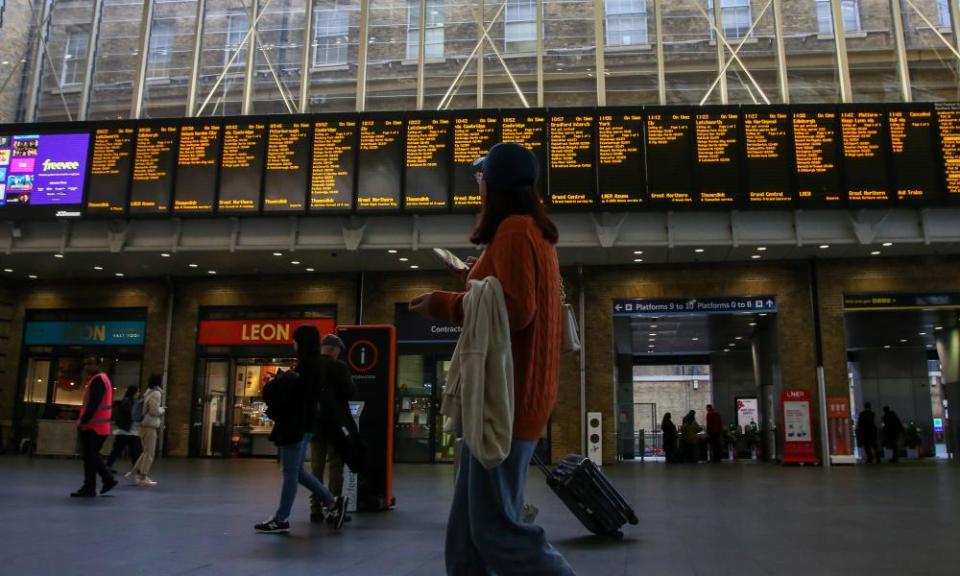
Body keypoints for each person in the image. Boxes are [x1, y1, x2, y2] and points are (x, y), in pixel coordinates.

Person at [410, 142, 574, 575]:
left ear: (494, 184)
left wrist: (444, 304)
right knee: (466, 533)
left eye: (481, 178)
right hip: (511, 396)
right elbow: (511, 294)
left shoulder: (516, 230)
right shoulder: (533, 232)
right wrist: (474, 274)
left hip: (505, 397)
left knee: (496, 530)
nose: (478, 185)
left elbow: (518, 310)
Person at [256, 325, 347, 534]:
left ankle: (282, 518)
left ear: (302, 342)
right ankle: (332, 503)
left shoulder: (307, 366)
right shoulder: (313, 365)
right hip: (306, 424)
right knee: (297, 472)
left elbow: (297, 394)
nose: (292, 343)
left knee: (290, 473)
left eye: (295, 339)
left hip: (295, 425)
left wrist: (280, 381)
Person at [309, 333, 356, 525]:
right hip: (334, 423)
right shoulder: (339, 366)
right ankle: (334, 507)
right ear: (334, 350)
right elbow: (350, 391)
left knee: (316, 466)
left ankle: (315, 509)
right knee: (336, 464)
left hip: (314, 423)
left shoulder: (309, 365)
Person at [72, 356, 118, 498]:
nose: (87, 367)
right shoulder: (101, 379)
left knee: (90, 457)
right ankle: (107, 480)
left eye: (90, 364)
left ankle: (90, 487)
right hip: (99, 426)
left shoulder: (98, 380)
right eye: (85, 364)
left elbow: (94, 403)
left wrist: (84, 421)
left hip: (93, 427)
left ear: (98, 365)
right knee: (91, 456)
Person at [129, 375, 164, 486]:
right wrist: (162, 410)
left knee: (145, 452)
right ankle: (143, 477)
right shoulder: (156, 394)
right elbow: (154, 411)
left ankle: (133, 473)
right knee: (150, 453)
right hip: (150, 426)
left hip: (143, 425)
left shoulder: (147, 392)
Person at [105, 385, 142, 473]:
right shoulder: (128, 402)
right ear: (134, 393)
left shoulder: (127, 401)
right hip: (127, 431)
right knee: (134, 451)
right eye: (138, 392)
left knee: (118, 450)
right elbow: (131, 414)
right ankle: (136, 469)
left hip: (126, 431)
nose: (139, 393)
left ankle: (108, 466)